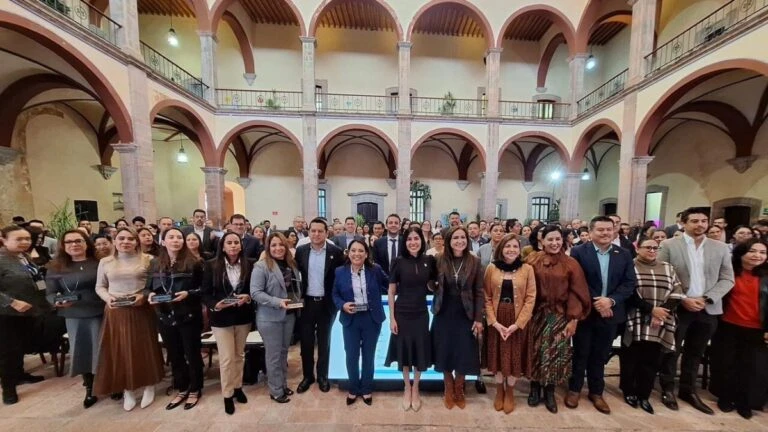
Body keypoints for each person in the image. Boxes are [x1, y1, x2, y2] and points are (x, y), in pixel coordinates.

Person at [657, 207, 734, 414]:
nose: (700, 225)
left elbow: (727, 278)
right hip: (679, 307)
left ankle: (688, 390)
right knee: (671, 350)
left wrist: (707, 298)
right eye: (694, 221)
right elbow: (663, 275)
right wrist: (683, 299)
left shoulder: (720, 248)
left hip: (707, 308)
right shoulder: (669, 245)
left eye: (703, 221)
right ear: (683, 223)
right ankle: (667, 388)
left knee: (695, 352)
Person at [567, 216, 637, 415]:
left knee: (600, 355)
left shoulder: (623, 254)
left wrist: (611, 301)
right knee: (581, 352)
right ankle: (574, 389)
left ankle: (596, 392)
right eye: (600, 230)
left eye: (609, 229)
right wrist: (598, 301)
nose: (606, 233)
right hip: (586, 311)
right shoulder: (579, 251)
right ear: (590, 232)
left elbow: (629, 283)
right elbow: (577, 281)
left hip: (611, 312)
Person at [93, 227, 164, 411]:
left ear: (136, 242)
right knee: (121, 350)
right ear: (114, 241)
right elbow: (100, 286)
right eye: (121, 238)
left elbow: (154, 285)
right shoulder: (105, 262)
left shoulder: (149, 259)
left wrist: (143, 296)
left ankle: (149, 385)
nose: (126, 242)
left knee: (144, 348)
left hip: (140, 309)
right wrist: (108, 298)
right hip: (116, 310)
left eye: (130, 239)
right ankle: (128, 390)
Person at [524, 225, 591, 414]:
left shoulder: (571, 263)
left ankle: (550, 391)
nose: (554, 243)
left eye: (558, 239)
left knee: (555, 353)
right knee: (535, 351)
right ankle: (534, 387)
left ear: (563, 241)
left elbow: (576, 293)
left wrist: (573, 319)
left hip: (560, 315)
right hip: (535, 314)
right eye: (550, 239)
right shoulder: (532, 260)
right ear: (542, 241)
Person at [620, 239, 684, 415]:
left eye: (656, 248)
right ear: (637, 248)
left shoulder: (667, 267)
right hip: (636, 317)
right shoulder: (630, 265)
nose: (652, 250)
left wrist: (661, 313)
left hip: (662, 318)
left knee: (652, 358)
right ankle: (629, 390)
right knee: (631, 357)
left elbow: (677, 292)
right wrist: (651, 310)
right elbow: (628, 292)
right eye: (648, 247)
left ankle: (644, 395)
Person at [145, 228, 205, 411]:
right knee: (175, 354)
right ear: (163, 241)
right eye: (171, 237)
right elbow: (147, 288)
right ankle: (182, 387)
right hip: (165, 315)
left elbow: (203, 289)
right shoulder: (155, 263)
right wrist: (149, 295)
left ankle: (195, 388)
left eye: (179, 237)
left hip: (188, 314)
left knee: (192, 354)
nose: (176, 240)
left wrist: (188, 293)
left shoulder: (195, 262)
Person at [709, 238, 768, 419]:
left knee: (751, 367)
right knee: (726, 363)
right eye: (752, 251)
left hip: (757, 329)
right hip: (728, 325)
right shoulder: (729, 272)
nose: (757, 255)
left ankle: (745, 402)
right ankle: (726, 397)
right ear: (741, 253)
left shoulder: (766, 276)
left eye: (762, 252)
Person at [46, 230, 104, 408]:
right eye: (69, 242)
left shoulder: (100, 262)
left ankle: (111, 383)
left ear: (87, 243)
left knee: (104, 350)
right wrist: (57, 301)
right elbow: (50, 293)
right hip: (74, 314)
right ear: (63, 246)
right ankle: (90, 387)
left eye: (78, 241)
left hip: (101, 311)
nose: (74, 244)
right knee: (83, 350)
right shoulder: (56, 267)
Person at [201, 232, 254, 415]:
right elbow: (205, 293)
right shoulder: (211, 265)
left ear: (241, 245)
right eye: (229, 243)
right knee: (226, 358)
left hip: (242, 316)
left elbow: (253, 289)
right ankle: (227, 394)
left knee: (239, 355)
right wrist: (215, 304)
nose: (233, 246)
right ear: (222, 246)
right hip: (221, 318)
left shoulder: (249, 264)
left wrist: (248, 297)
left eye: (236, 242)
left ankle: (238, 387)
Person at [431, 227, 484, 410]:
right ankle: (448, 387)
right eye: (455, 238)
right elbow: (430, 283)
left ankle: (459, 388)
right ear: (449, 240)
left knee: (464, 351)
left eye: (463, 237)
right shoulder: (439, 259)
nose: (459, 241)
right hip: (444, 311)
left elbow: (479, 291)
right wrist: (432, 285)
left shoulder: (475, 261)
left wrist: (478, 318)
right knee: (444, 349)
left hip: (465, 313)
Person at [484, 234, 536, 414]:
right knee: (497, 356)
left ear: (519, 249)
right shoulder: (491, 268)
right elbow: (487, 296)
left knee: (514, 357)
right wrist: (494, 322)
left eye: (515, 246)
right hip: (497, 319)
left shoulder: (527, 269)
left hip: (518, 320)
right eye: (507, 246)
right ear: (501, 249)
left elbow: (530, 298)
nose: (511, 250)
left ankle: (510, 392)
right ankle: (499, 390)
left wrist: (518, 324)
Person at [385, 226, 436, 412]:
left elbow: (434, 284)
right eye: (409, 239)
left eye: (416, 238)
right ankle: (407, 387)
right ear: (404, 242)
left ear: (422, 240)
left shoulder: (429, 261)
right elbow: (391, 292)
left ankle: (416, 388)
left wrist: (435, 286)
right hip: (402, 313)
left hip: (421, 313)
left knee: (419, 350)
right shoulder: (398, 262)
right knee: (405, 352)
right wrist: (392, 318)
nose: (413, 242)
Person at [332, 240, 388, 406]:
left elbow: (390, 284)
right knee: (351, 355)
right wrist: (342, 305)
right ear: (348, 253)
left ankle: (366, 388)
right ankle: (353, 388)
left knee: (369, 355)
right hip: (351, 319)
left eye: (361, 251)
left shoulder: (375, 270)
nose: (357, 254)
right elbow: (335, 294)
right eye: (353, 250)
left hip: (372, 318)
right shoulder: (340, 271)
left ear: (366, 254)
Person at [0, 225, 51, 405]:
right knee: (9, 351)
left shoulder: (25, 257)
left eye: (27, 239)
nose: (25, 242)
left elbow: (36, 280)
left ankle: (20, 374)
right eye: (19, 239)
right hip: (7, 313)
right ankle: (8, 388)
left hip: (30, 310)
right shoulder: (2, 259)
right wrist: (12, 302)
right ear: (4, 240)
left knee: (21, 347)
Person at [294, 218, 344, 394]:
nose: (316, 234)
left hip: (326, 304)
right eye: (313, 231)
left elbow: (340, 279)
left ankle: (323, 375)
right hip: (306, 303)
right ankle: (308, 376)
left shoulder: (336, 252)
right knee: (306, 342)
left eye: (320, 231)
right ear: (308, 232)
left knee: (325, 342)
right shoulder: (300, 251)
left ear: (326, 233)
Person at [251, 232, 303, 404]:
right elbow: (255, 293)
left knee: (283, 353)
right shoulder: (261, 266)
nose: (278, 248)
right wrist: (277, 301)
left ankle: (282, 384)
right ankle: (275, 390)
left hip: (289, 315)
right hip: (269, 317)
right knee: (273, 355)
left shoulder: (291, 264)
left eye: (281, 244)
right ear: (268, 247)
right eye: (274, 245)